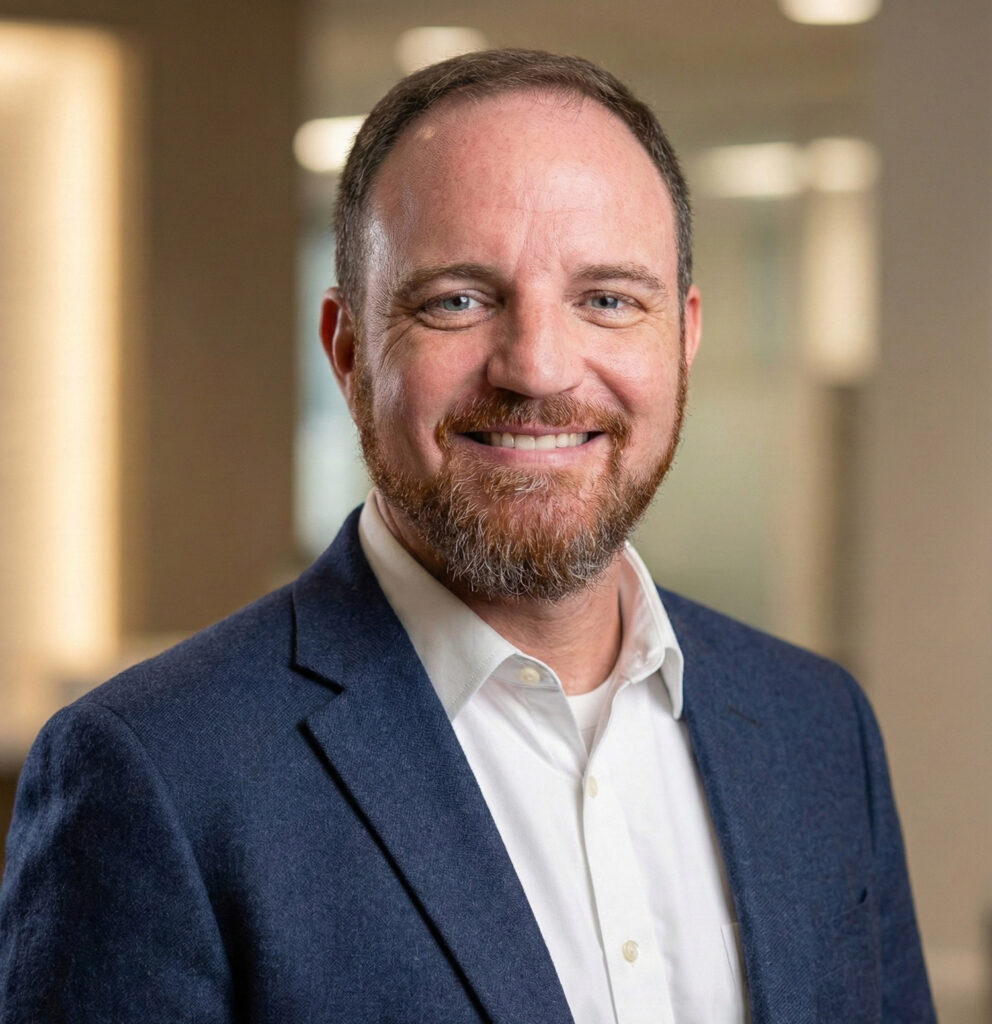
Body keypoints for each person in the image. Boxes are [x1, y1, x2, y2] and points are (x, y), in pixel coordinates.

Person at [0, 49, 934, 1024]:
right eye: (457, 299)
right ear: (348, 349)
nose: (535, 367)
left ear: (682, 338)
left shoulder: (816, 728)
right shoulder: (157, 772)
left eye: (607, 299)